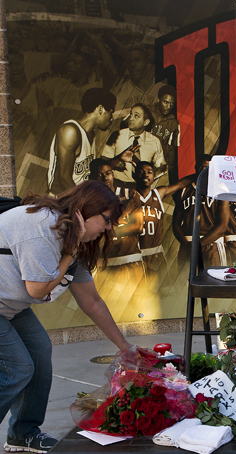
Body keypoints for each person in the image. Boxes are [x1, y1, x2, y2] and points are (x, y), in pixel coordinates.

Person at [0, 181, 132, 453]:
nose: (108, 228)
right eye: (107, 220)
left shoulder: (75, 238)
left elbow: (91, 301)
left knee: (39, 351)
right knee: (17, 367)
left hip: (9, 306)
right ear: (86, 210)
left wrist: (126, 348)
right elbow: (37, 289)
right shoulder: (42, 226)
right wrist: (68, 254)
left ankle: (22, 433)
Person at [47, 88, 116, 196]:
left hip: (75, 199)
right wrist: (84, 204)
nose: (112, 118)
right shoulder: (70, 131)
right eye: (111, 113)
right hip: (61, 200)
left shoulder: (91, 134)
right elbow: (64, 179)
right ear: (100, 109)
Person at [172, 155, 230, 267]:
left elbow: (223, 226)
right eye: (201, 167)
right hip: (188, 244)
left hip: (212, 245)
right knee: (184, 281)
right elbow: (176, 223)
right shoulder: (184, 190)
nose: (203, 171)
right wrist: (186, 244)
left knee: (213, 282)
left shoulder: (220, 191)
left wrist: (198, 245)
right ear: (196, 167)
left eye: (207, 168)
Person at [133, 162, 192, 271]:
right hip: (134, 254)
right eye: (141, 172)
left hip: (155, 253)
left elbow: (180, 184)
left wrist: (200, 173)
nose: (146, 175)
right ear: (134, 175)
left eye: (149, 172)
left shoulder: (158, 193)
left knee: (161, 287)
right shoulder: (128, 195)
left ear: (153, 176)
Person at [101, 103, 166, 186]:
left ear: (145, 122)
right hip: (118, 186)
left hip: (141, 188)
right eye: (131, 114)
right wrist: (115, 161)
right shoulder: (117, 136)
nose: (131, 118)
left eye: (136, 116)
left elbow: (161, 166)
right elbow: (102, 162)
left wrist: (150, 176)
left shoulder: (154, 141)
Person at [151, 85, 180, 184]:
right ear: (158, 99)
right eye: (166, 102)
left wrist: (168, 169)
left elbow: (171, 149)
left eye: (172, 104)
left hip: (157, 168)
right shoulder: (145, 112)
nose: (168, 107)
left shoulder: (173, 123)